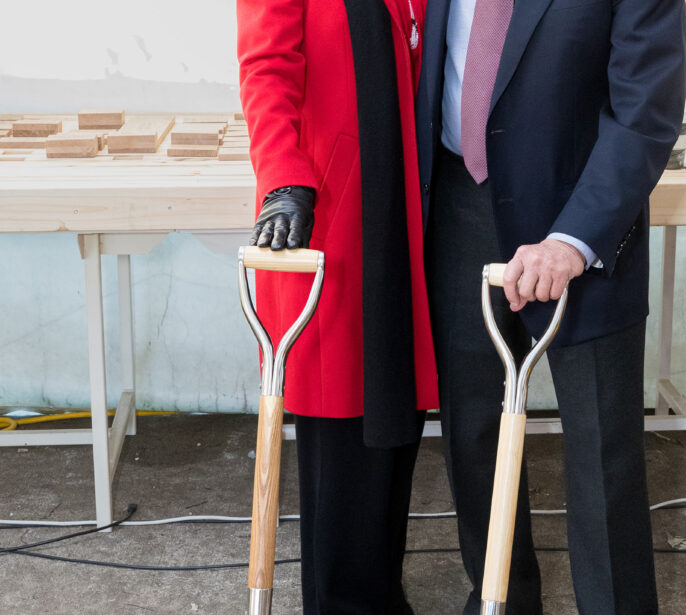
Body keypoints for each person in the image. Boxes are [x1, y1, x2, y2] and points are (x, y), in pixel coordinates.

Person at [416, 0, 686, 613]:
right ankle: (500, 601)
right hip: (461, 207)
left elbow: (645, 111)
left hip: (580, 224)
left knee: (601, 451)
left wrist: (573, 240)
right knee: (475, 435)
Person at [237, 1, 436, 612]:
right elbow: (265, 66)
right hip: (338, 210)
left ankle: (377, 594)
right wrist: (283, 178)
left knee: (392, 422)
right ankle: (343, 602)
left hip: (407, 204)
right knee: (344, 422)